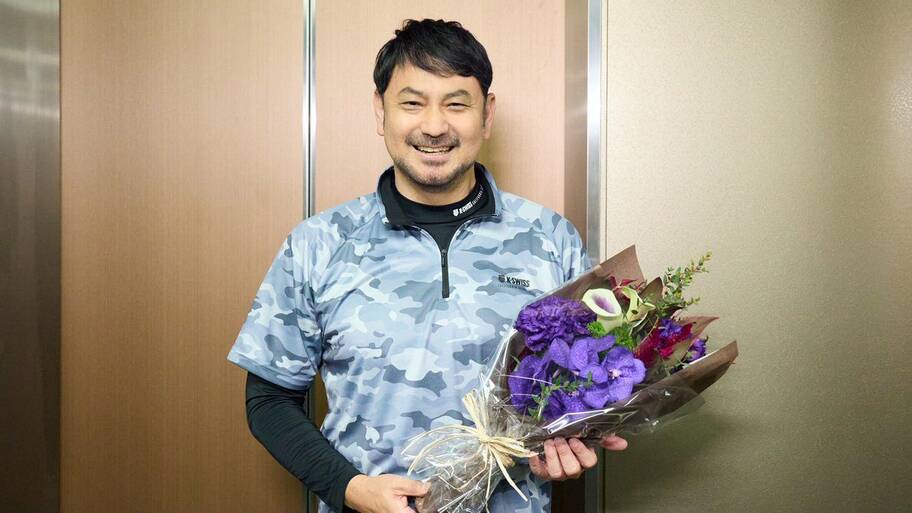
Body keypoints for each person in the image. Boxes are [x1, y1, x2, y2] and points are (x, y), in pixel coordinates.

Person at [227, 18, 627, 513]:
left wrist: (564, 443)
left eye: (456, 104)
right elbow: (269, 401)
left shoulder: (550, 239)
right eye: (412, 103)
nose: (435, 126)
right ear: (381, 111)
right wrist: (349, 488)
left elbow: (578, 384)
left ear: (487, 115)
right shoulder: (319, 243)